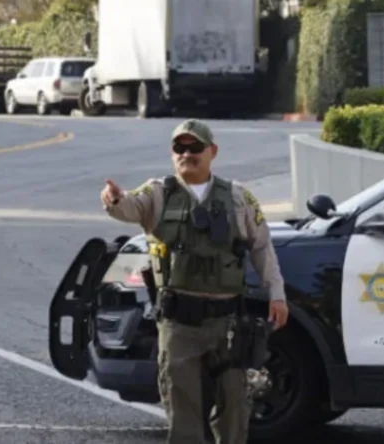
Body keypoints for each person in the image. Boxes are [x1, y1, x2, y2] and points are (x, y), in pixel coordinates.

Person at [100, 119, 289, 444]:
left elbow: (262, 247)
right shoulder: (157, 192)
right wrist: (114, 199)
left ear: (212, 151)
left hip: (228, 324)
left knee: (234, 411)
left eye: (195, 147)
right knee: (183, 415)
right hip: (179, 325)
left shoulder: (239, 196)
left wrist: (277, 294)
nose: (187, 154)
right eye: (180, 147)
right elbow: (128, 207)